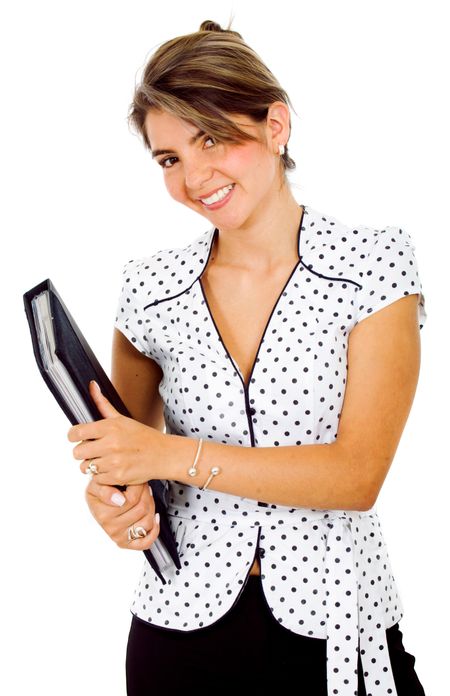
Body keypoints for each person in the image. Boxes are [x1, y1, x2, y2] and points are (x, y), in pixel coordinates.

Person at [67, 18, 428, 696]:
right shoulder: (149, 288)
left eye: (211, 136)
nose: (193, 175)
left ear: (275, 125)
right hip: (178, 632)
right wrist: (114, 501)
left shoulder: (374, 265)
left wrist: (167, 456)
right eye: (169, 158)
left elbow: (358, 474)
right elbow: (123, 459)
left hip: (337, 624)